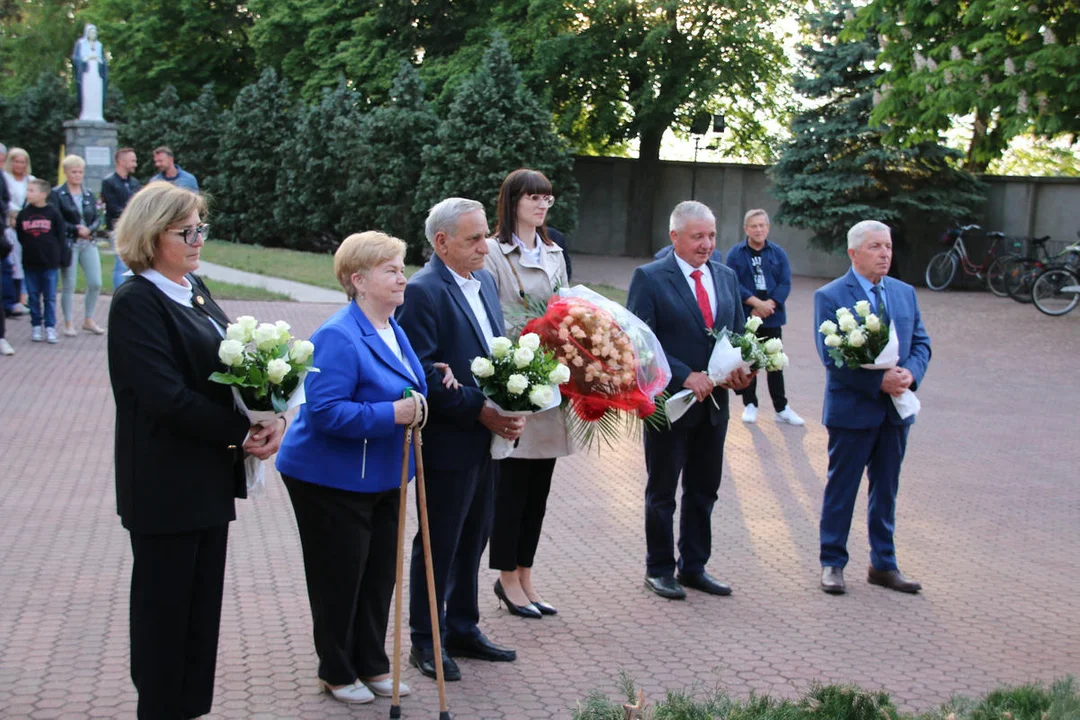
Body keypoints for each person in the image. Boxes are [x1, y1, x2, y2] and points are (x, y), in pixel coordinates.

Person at [107, 182, 285, 718]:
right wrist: (240, 432)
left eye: (200, 228)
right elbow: (165, 399)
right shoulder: (137, 301)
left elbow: (240, 361)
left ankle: (188, 709)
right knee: (165, 618)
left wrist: (270, 411)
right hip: (165, 485)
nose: (198, 238)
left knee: (199, 614)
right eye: (186, 231)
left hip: (208, 478)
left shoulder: (194, 288)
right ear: (151, 234)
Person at [276, 231, 455, 704]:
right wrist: (391, 415)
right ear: (358, 280)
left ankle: (372, 662)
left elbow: (405, 385)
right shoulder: (337, 334)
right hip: (329, 477)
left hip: (383, 473)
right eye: (391, 270)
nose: (403, 278)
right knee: (340, 575)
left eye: (402, 268)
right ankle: (336, 670)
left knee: (379, 573)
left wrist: (436, 378)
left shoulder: (393, 329)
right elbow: (325, 411)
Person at [396, 197, 523, 682]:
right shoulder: (423, 291)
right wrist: (481, 410)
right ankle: (426, 640)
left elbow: (497, 352)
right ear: (440, 242)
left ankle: (463, 627)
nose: (484, 246)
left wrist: (517, 401)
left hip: (486, 440)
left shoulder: (486, 281)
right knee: (438, 542)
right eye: (473, 239)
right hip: (447, 442)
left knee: (475, 536)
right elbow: (422, 373)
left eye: (485, 234)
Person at [627, 200, 751, 600]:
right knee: (662, 491)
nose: (707, 244)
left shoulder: (728, 276)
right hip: (670, 404)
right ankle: (659, 568)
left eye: (712, 235)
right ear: (674, 237)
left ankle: (695, 566)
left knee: (704, 489)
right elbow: (640, 342)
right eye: (698, 236)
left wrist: (742, 371)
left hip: (715, 406)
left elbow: (738, 336)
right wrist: (685, 374)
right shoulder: (649, 278)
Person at [813, 220, 931, 596]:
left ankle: (884, 564)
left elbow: (922, 344)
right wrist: (876, 381)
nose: (885, 254)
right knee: (842, 489)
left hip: (895, 410)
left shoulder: (904, 293)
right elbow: (831, 357)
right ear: (853, 253)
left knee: (886, 489)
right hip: (853, 410)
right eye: (876, 247)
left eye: (888, 247)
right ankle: (832, 563)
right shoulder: (830, 296)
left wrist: (908, 375)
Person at [483, 169, 573, 619]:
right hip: (515, 382)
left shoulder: (555, 251)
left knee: (539, 487)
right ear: (513, 201)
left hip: (551, 383)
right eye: (533, 198)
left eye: (547, 199)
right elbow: (491, 314)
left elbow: (568, 307)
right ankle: (505, 578)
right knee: (512, 488)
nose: (541, 206)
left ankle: (526, 573)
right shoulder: (495, 253)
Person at [724, 209, 804, 426]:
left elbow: (785, 282)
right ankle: (750, 404)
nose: (758, 230)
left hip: (772, 316)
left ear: (767, 228)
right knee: (749, 361)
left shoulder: (778, 254)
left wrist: (770, 304)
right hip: (747, 317)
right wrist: (755, 303)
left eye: (762, 225)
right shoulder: (736, 254)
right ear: (746, 229)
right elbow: (732, 281)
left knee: (774, 363)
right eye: (754, 226)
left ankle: (781, 407)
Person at [51, 154, 105, 336]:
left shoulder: (88, 194)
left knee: (95, 282)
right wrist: (75, 229)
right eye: (74, 172)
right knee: (69, 284)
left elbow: (98, 217)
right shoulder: (58, 194)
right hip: (70, 243)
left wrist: (90, 229)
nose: (77, 175)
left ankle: (88, 319)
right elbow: (56, 219)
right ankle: (68, 322)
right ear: (66, 172)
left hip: (88, 242)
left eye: (80, 172)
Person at [16, 179, 66, 345]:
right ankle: (36, 325)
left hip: (49, 263)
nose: (28, 193)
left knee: (49, 297)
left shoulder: (53, 213)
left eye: (32, 190)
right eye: (27, 190)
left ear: (43, 194)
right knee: (32, 297)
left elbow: (60, 235)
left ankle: (50, 326)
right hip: (30, 263)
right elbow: (21, 236)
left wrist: (60, 257)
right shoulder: (23, 214)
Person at [101, 148, 141, 288]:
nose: (135, 164)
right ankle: (120, 295)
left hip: (135, 228)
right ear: (121, 162)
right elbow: (112, 207)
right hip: (118, 228)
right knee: (121, 263)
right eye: (132, 160)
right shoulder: (109, 183)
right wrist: (131, 216)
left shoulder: (134, 182)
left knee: (135, 264)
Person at [4, 147, 32, 316]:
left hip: (27, 225)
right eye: (16, 161)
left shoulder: (31, 180)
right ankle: (12, 299)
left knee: (24, 261)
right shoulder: (5, 179)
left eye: (23, 162)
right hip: (10, 224)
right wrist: (15, 215)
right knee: (12, 261)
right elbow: (6, 201)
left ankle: (23, 297)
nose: (20, 165)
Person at [71, 23, 107, 122]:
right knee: (87, 94)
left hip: (97, 74)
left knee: (97, 93)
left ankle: (97, 115)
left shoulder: (99, 45)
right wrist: (87, 58)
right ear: (87, 33)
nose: (93, 34)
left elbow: (104, 60)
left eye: (95, 32)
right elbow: (75, 58)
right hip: (86, 74)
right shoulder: (81, 43)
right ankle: (86, 113)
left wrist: (99, 60)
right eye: (91, 32)